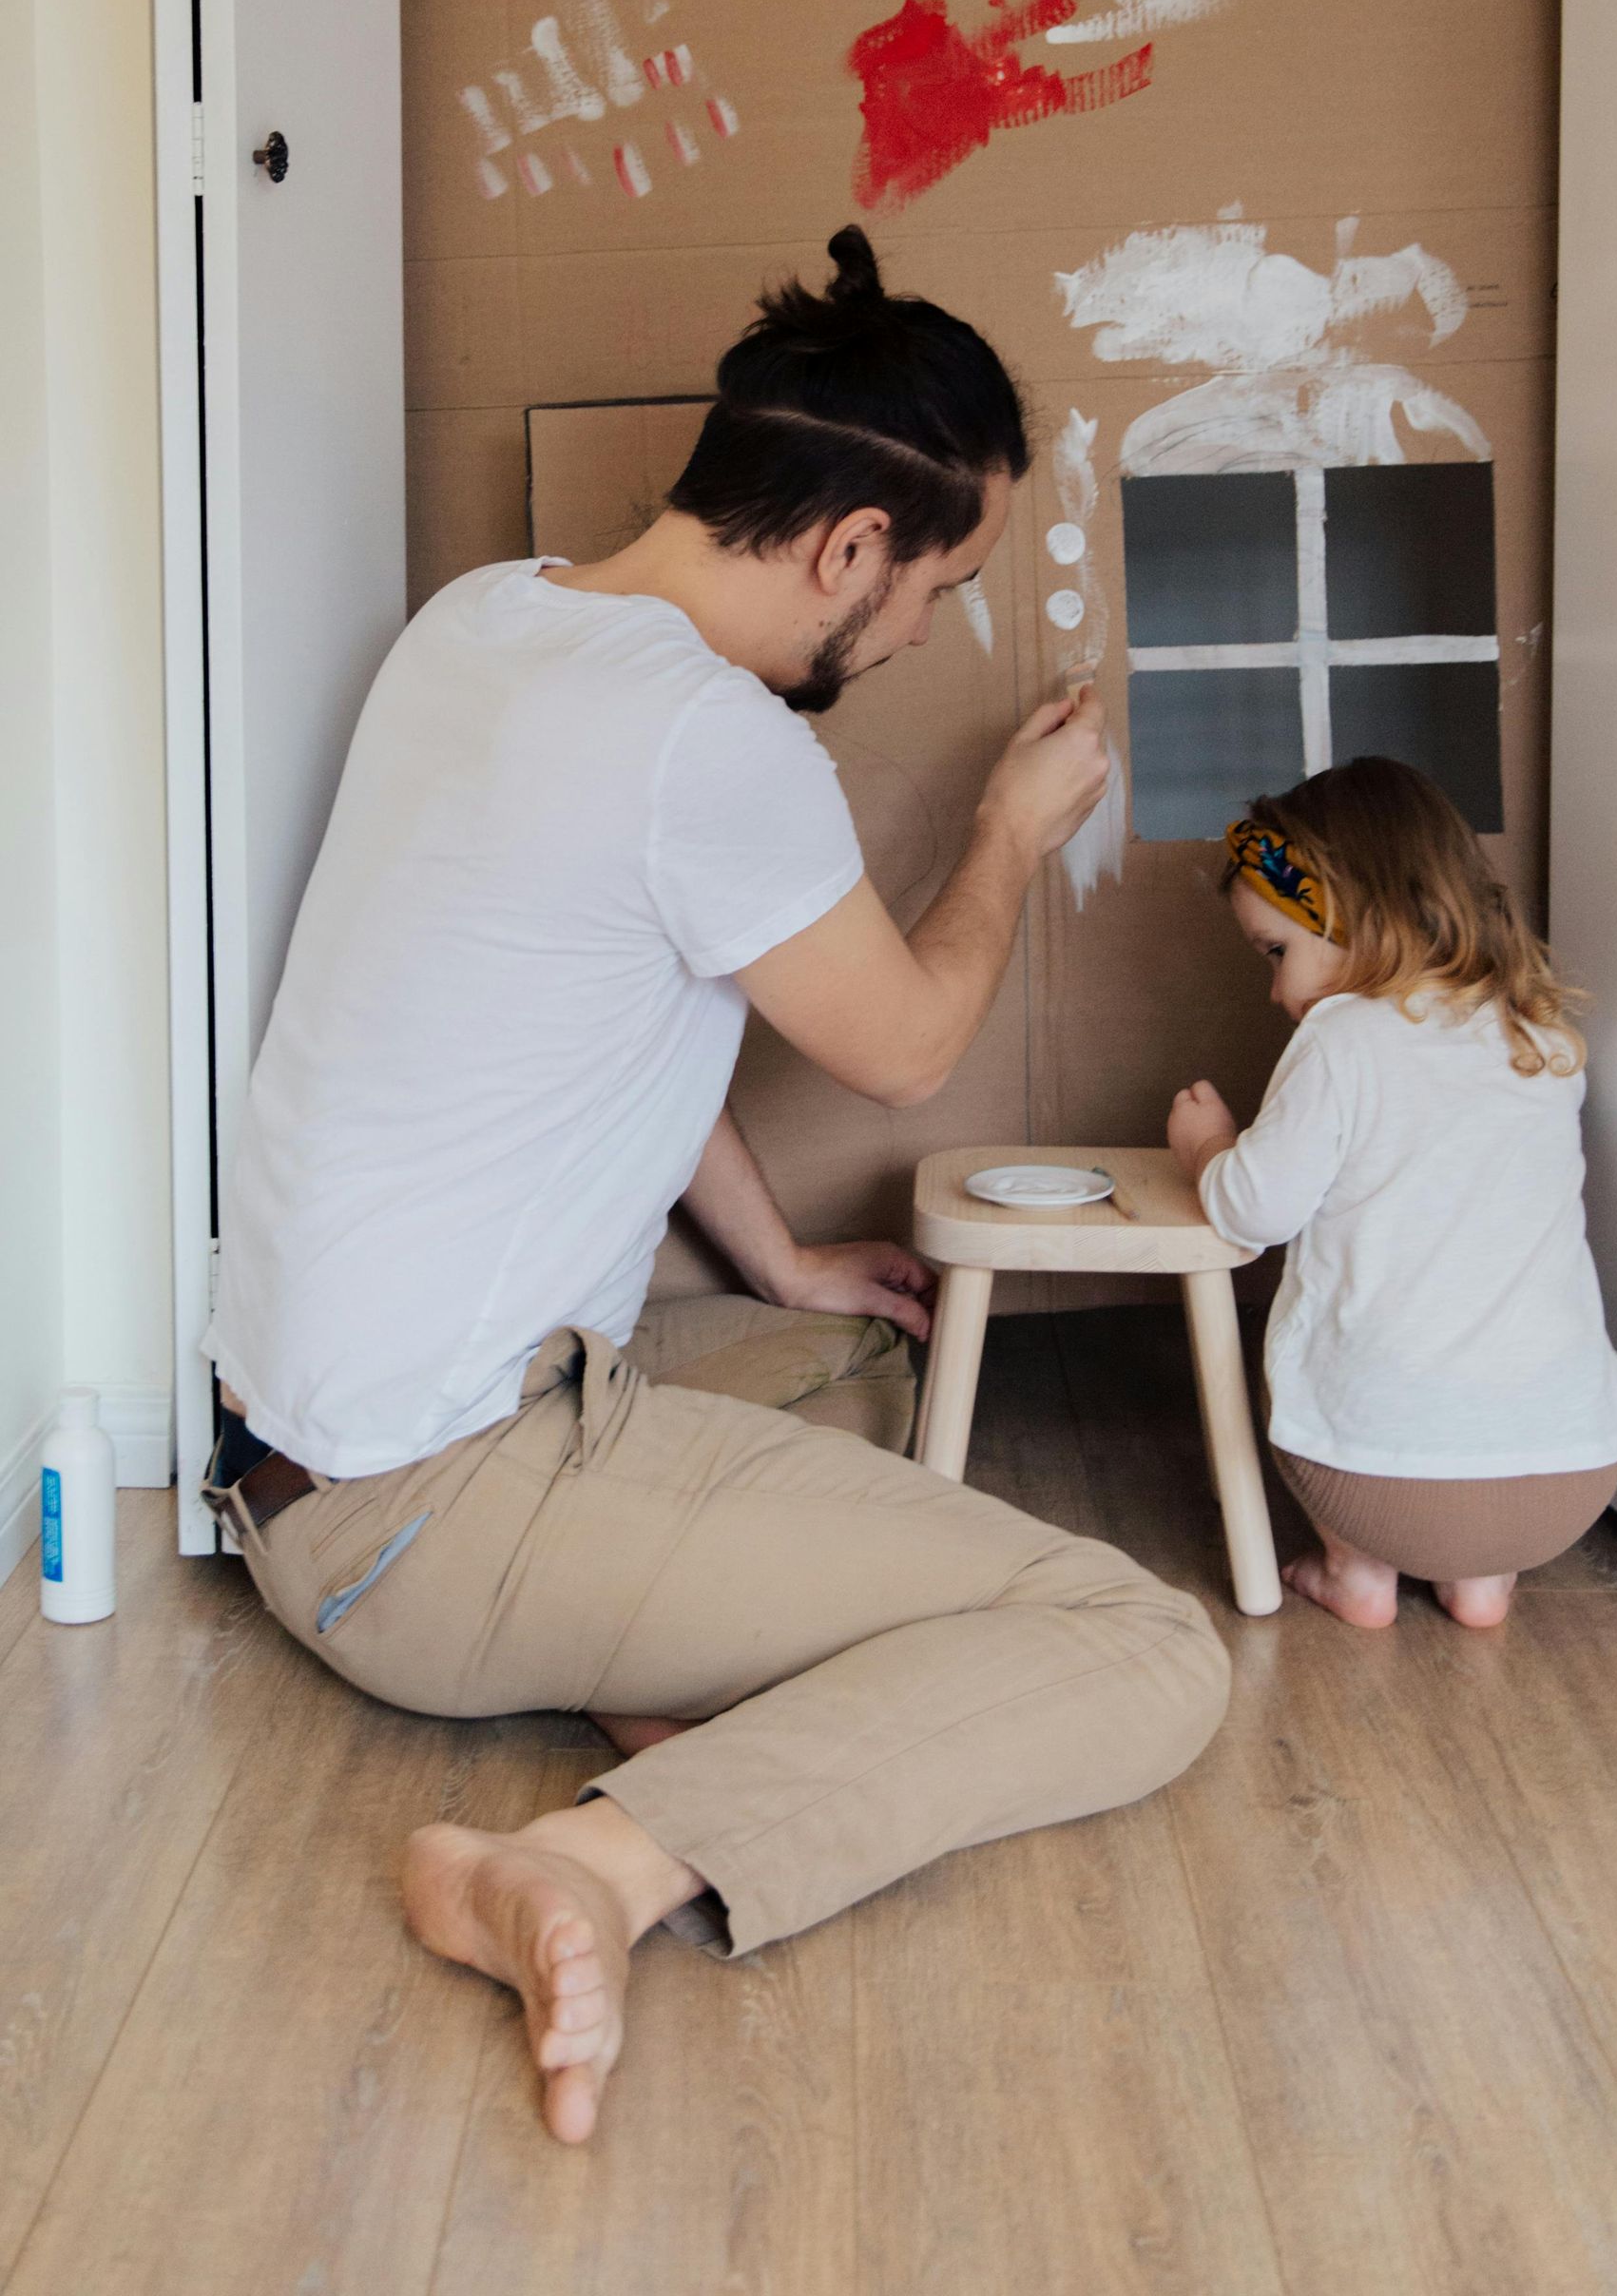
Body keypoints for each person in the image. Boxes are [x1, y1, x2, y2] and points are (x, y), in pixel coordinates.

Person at [202, 227, 1230, 2144]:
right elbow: (914, 1043)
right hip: (426, 1518)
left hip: (294, 1460)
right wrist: (1009, 829)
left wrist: (783, 1263)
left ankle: (652, 1684)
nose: (927, 633)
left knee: (860, 1367)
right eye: (940, 584)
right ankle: (597, 1864)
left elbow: (619, 1037)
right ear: (849, 545)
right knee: (1140, 1649)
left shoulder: (489, 620)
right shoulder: (710, 739)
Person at [1166, 757, 1617, 1633]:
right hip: (1570, 1479)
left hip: (1382, 1487)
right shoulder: (1542, 1036)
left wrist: (1208, 1147)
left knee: (1303, 1353)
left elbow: (1255, 1211)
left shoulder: (1342, 1040)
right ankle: (1483, 1583)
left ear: (1351, 914)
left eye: (1278, 953)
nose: (1279, 990)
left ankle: (1356, 1570)